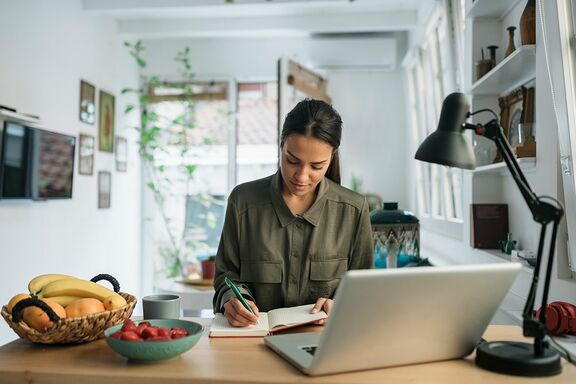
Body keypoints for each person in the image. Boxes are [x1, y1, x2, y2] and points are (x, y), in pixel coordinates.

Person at [213, 98, 373, 327]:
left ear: (332, 156)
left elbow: (364, 290)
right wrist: (233, 301)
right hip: (253, 341)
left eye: (316, 166)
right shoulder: (243, 202)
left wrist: (342, 305)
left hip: (324, 343)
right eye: (292, 160)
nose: (301, 176)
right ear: (281, 146)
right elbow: (225, 277)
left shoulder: (354, 210)